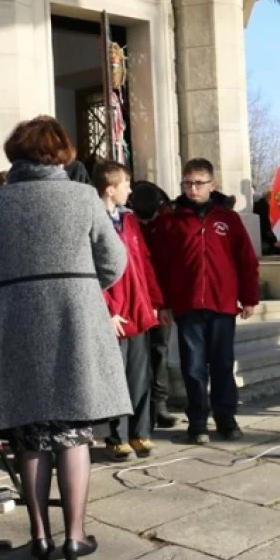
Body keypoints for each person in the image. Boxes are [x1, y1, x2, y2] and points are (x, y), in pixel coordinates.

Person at [0, 116, 130, 560]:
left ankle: (39, 536)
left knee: (31, 431)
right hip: (74, 317)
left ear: (14, 154)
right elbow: (115, 262)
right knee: (74, 430)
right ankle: (75, 536)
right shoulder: (83, 197)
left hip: (17, 320)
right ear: (62, 154)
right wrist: (79, 287)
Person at [151, 159, 259, 443]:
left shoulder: (228, 219)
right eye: (187, 183)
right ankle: (197, 420)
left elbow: (246, 260)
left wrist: (248, 297)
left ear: (212, 185)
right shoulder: (171, 220)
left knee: (222, 363)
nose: (192, 189)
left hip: (221, 304)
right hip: (187, 305)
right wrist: (162, 303)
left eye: (199, 183)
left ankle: (226, 417)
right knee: (193, 366)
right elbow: (159, 264)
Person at [95, 162, 164, 462]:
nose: (131, 190)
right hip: (114, 314)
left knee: (139, 376)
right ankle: (116, 436)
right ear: (110, 189)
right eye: (126, 184)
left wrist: (154, 301)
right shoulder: (94, 221)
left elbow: (144, 262)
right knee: (115, 378)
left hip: (138, 309)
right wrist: (106, 312)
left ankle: (140, 432)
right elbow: (91, 272)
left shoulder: (130, 221)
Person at [128, 180, 178, 429]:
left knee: (159, 351)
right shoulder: (126, 224)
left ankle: (159, 405)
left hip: (160, 298)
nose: (145, 224)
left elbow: (169, 268)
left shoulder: (168, 225)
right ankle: (136, 410)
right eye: (141, 219)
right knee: (135, 357)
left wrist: (164, 303)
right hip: (132, 299)